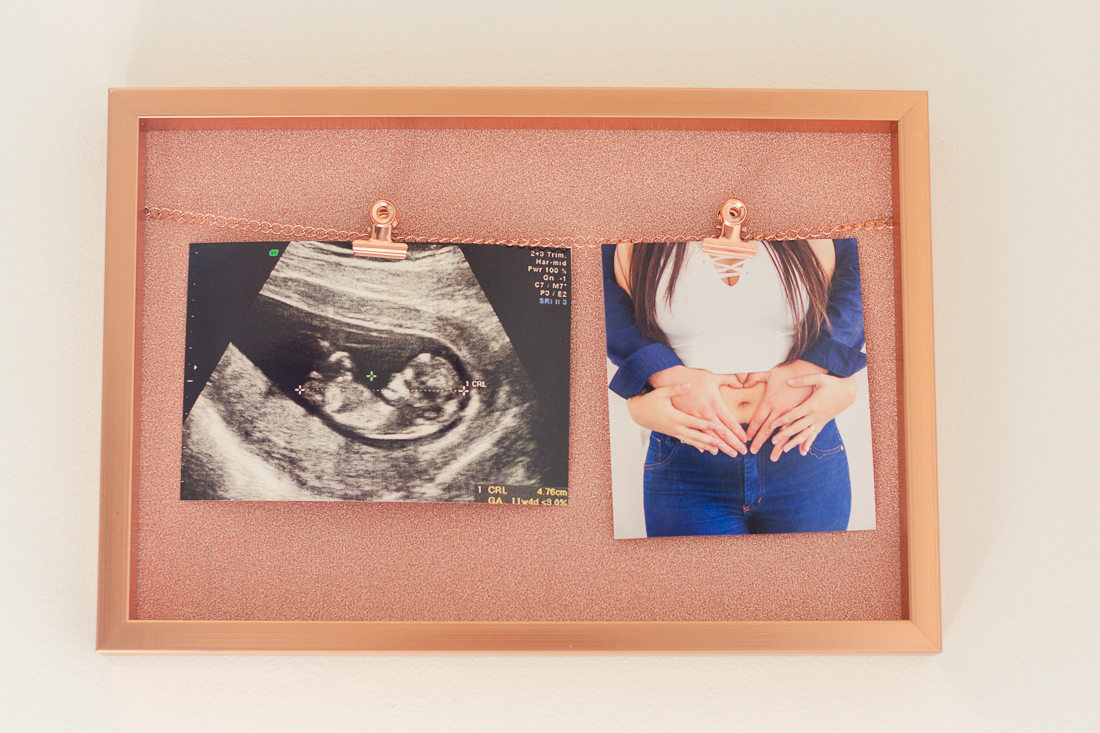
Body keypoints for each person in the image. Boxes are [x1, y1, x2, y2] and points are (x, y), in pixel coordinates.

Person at [603, 238, 866, 536]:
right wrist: (663, 375)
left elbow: (861, 277)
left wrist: (817, 369)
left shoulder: (817, 220)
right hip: (689, 457)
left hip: (801, 448)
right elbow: (601, 292)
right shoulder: (630, 227)